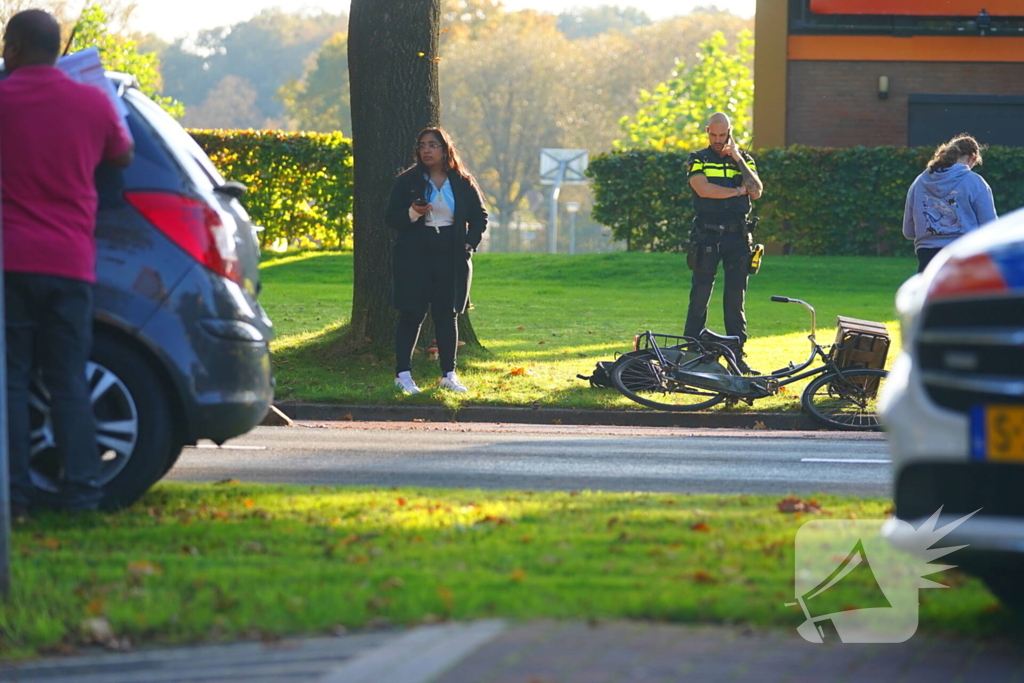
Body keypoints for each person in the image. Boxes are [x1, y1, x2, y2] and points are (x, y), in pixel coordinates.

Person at [0, 10, 134, 516]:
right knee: (67, 378)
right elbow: (122, 156)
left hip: (10, 260)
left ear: (12, 48)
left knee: (10, 378)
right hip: (70, 263)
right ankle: (82, 492)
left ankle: (13, 496)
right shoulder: (89, 102)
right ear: (56, 51)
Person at [385, 127, 487, 394]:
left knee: (447, 315)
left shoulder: (462, 181)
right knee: (411, 313)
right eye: (422, 145)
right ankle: (403, 374)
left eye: (433, 145)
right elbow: (391, 218)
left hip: (451, 254)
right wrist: (412, 212)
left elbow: (479, 217)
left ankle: (448, 374)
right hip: (414, 254)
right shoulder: (407, 181)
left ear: (446, 149)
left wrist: (469, 243)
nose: (427, 150)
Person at [682, 112, 763, 375]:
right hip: (706, 235)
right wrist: (739, 191)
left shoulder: (744, 160)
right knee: (700, 296)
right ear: (707, 131)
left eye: (723, 135)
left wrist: (738, 157)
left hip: (737, 237)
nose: (718, 140)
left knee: (735, 299)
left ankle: (737, 356)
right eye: (713, 135)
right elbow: (704, 189)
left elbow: (758, 190)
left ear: (730, 132)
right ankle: (691, 353)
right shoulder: (698, 158)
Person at [903, 134, 996, 273]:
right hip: (965, 255)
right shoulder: (975, 182)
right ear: (971, 158)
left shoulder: (919, 182)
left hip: (928, 258)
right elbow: (990, 228)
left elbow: (908, 232)